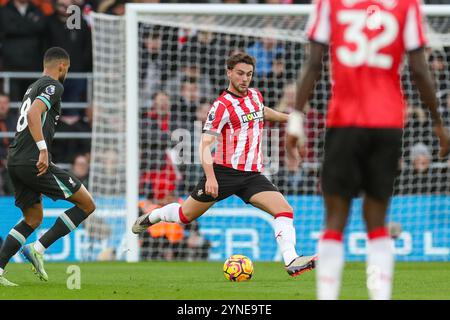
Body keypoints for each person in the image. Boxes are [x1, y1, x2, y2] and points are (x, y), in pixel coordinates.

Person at [286, 0, 450, 300]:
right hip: (386, 123)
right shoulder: (407, 5)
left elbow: (312, 64)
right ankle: (380, 295)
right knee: (377, 221)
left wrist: (296, 117)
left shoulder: (329, 4)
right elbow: (419, 69)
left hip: (344, 122)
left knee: (334, 219)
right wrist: (438, 122)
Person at [133, 52, 317, 277]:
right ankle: (155, 216)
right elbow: (204, 144)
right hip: (222, 174)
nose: (244, 78)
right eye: (240, 73)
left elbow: (262, 111)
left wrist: (289, 118)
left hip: (251, 175)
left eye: (249, 74)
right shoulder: (221, 106)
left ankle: (291, 260)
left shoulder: (255, 96)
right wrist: (210, 177)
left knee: (285, 210)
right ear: (229, 72)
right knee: (185, 215)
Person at [0, 47, 96, 286]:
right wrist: (43, 149)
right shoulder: (54, 86)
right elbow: (34, 115)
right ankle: (38, 248)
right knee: (86, 204)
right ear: (62, 66)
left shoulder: (33, 87)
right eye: (68, 68)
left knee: (33, 218)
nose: (67, 72)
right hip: (34, 161)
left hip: (15, 160)